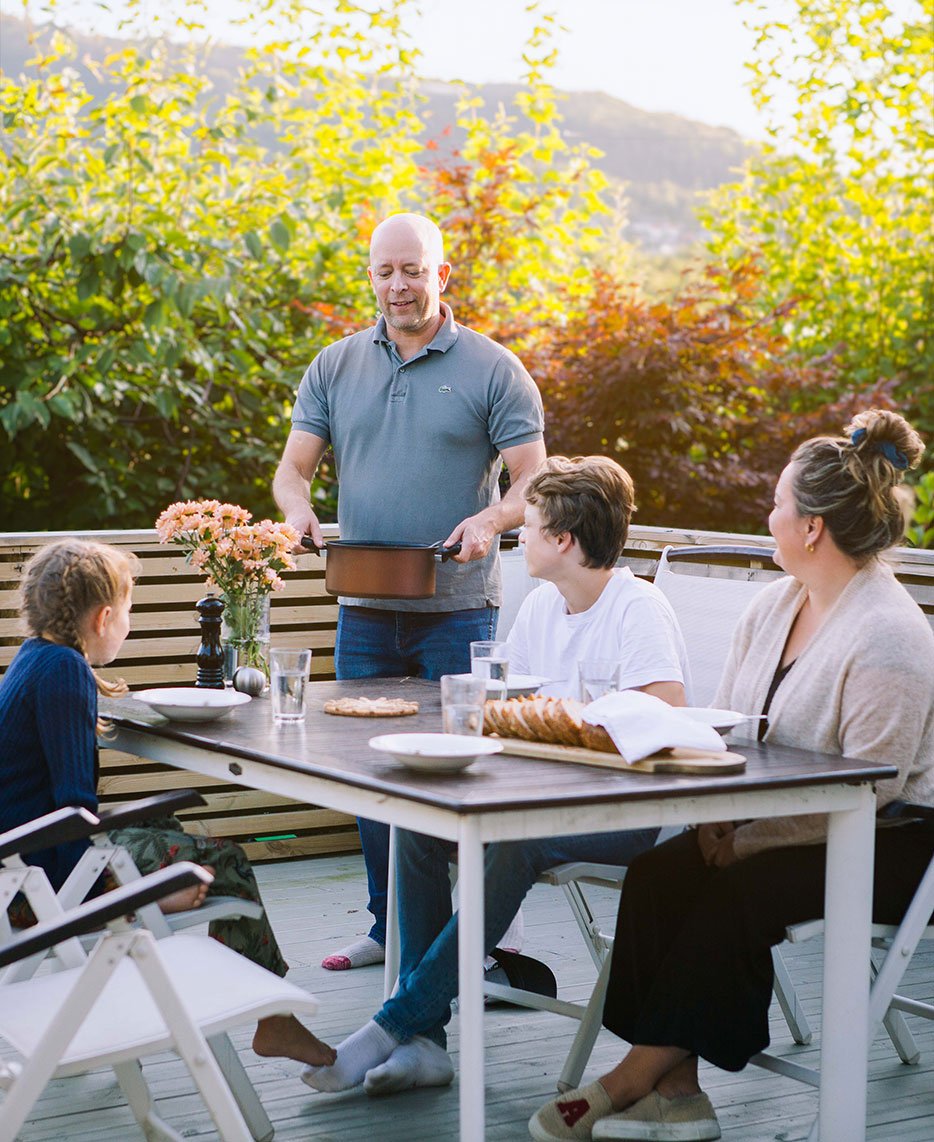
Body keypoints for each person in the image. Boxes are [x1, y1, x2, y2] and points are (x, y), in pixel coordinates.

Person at [530, 409, 934, 1142]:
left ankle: (626, 1082)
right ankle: (679, 1096)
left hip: (890, 841)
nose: (768, 516)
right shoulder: (773, 605)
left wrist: (743, 841)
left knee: (735, 894)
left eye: (777, 504)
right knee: (658, 877)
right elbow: (735, 732)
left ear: (812, 527)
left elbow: (873, 791)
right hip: (770, 819)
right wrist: (714, 819)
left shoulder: (892, 635)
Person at [301, 454, 692, 1098]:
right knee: (417, 825)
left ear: (562, 540)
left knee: (516, 841)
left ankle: (391, 1028)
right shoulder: (542, 607)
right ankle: (426, 1044)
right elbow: (510, 709)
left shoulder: (636, 607)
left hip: (633, 814)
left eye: (530, 526)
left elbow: (667, 713)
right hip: (542, 795)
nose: (520, 538)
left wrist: (568, 726)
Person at [273, 211, 546, 971]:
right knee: (370, 774)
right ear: (372, 276)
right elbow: (293, 470)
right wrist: (297, 509)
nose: (398, 285)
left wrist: (492, 519)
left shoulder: (495, 368)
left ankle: (480, 934)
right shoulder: (334, 366)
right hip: (362, 606)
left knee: (462, 773)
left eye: (413, 270)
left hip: (458, 609)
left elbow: (533, 479)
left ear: (442, 275)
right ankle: (387, 927)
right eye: (385, 271)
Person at [0, 538, 336, 1068]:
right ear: (105, 616)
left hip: (18, 868)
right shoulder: (63, 671)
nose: (129, 621)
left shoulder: (36, 657)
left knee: (164, 819)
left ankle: (254, 1005)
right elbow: (72, 812)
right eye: (129, 609)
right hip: (40, 885)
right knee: (226, 858)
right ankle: (266, 1020)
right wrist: (132, 897)